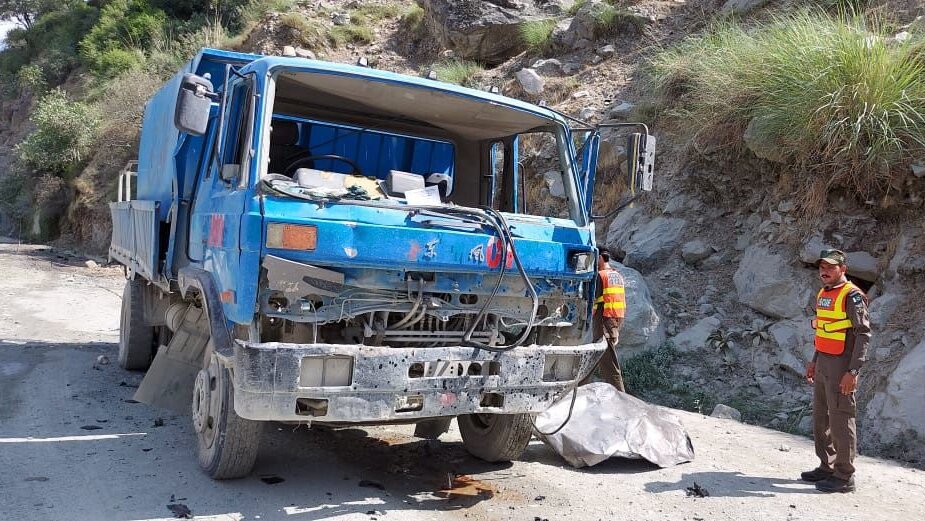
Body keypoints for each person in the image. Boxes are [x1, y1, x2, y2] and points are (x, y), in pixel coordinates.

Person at [801, 249, 870, 493]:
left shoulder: (852, 296)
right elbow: (825, 331)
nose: (825, 271)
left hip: (842, 365)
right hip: (823, 362)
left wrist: (853, 371)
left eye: (831, 267)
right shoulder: (824, 293)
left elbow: (863, 335)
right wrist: (814, 360)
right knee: (822, 419)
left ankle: (844, 476)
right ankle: (827, 466)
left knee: (841, 418)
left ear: (843, 269)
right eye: (822, 267)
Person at [583, 250, 627, 392]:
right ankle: (577, 387)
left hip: (604, 320)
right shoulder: (617, 276)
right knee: (595, 356)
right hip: (614, 320)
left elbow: (593, 299)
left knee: (609, 364)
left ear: (601, 257)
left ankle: (621, 396)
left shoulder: (601, 276)